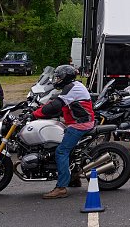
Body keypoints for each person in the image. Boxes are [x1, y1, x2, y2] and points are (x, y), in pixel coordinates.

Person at [39, 65, 96, 199]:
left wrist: (37, 112)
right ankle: (74, 178)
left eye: (59, 77)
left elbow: (57, 104)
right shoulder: (72, 86)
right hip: (76, 122)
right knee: (67, 148)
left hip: (80, 124)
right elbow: (57, 102)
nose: (56, 80)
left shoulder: (72, 88)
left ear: (65, 77)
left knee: (61, 151)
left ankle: (61, 188)